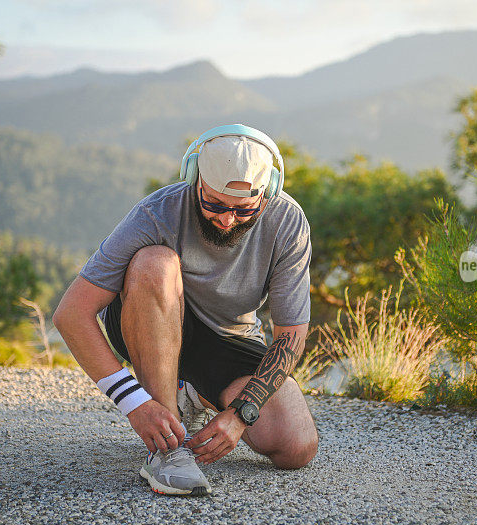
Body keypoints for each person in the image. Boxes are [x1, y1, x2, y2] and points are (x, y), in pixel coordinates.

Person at [53, 124, 319, 497]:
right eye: (213, 204)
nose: (227, 219)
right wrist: (135, 404)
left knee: (295, 446)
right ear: (194, 179)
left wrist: (241, 413)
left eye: (244, 209)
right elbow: (71, 314)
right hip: (150, 317)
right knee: (154, 263)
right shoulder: (156, 212)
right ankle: (167, 448)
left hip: (229, 338)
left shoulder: (288, 221)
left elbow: (291, 334)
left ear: (269, 191)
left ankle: (190, 393)